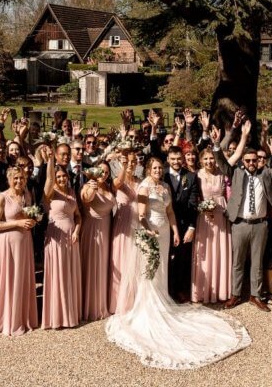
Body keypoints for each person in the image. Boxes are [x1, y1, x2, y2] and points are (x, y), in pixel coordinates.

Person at [105, 156, 251, 370]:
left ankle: (163, 299)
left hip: (165, 232)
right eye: (153, 168)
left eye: (158, 168)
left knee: (162, 270)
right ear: (148, 169)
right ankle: (148, 306)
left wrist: (174, 231)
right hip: (151, 233)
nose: (157, 171)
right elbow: (143, 214)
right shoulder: (144, 187)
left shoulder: (165, 186)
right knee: (151, 270)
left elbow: (170, 211)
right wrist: (148, 230)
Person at [220, 123, 272, 312]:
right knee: (238, 262)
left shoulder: (266, 174)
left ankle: (255, 295)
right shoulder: (235, 173)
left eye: (254, 160)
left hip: (260, 225)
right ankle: (235, 294)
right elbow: (221, 160)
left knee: (258, 263)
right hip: (240, 224)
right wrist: (222, 143)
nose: (252, 163)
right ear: (243, 160)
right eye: (248, 160)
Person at [0, 166, 38, 336]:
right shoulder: (2, 197)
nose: (18, 181)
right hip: (7, 243)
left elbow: (28, 216)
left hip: (24, 242)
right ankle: (7, 319)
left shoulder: (27, 195)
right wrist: (17, 223)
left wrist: (32, 221)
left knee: (22, 277)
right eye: (15, 178)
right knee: (9, 278)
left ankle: (23, 317)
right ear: (9, 179)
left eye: (21, 178)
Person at [41, 153, 82, 329]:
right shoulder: (50, 193)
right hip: (55, 235)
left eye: (64, 175)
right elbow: (49, 178)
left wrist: (77, 232)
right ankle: (56, 316)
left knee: (69, 273)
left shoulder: (73, 192)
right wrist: (50, 159)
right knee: (57, 272)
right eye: (59, 176)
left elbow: (79, 216)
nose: (61, 178)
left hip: (71, 236)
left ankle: (71, 313)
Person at [191, 148, 233, 304]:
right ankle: (203, 290)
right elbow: (194, 197)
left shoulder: (222, 173)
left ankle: (221, 290)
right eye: (206, 159)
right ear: (201, 160)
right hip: (204, 218)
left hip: (221, 215)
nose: (209, 161)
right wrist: (203, 208)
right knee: (206, 252)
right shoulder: (197, 175)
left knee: (221, 250)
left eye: (211, 158)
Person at [163, 146, 201, 302]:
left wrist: (192, 227)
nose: (176, 161)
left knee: (182, 259)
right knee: (165, 257)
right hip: (164, 224)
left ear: (183, 158)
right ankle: (164, 290)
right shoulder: (162, 176)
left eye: (179, 158)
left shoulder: (191, 177)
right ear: (168, 159)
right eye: (173, 159)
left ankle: (179, 291)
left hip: (184, 224)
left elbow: (193, 204)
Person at [80, 161, 116, 321]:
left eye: (107, 172)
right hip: (93, 229)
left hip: (107, 228)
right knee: (92, 265)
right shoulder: (89, 185)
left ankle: (102, 303)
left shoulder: (109, 187)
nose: (104, 174)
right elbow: (85, 199)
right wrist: (92, 189)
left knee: (103, 265)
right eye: (101, 171)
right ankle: (89, 306)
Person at [110, 150, 139, 314]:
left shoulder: (139, 181)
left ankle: (133, 299)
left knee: (134, 261)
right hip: (122, 225)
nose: (131, 164)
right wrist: (123, 165)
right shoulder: (118, 180)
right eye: (129, 162)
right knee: (122, 259)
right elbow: (118, 183)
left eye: (134, 161)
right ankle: (118, 301)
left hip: (136, 225)